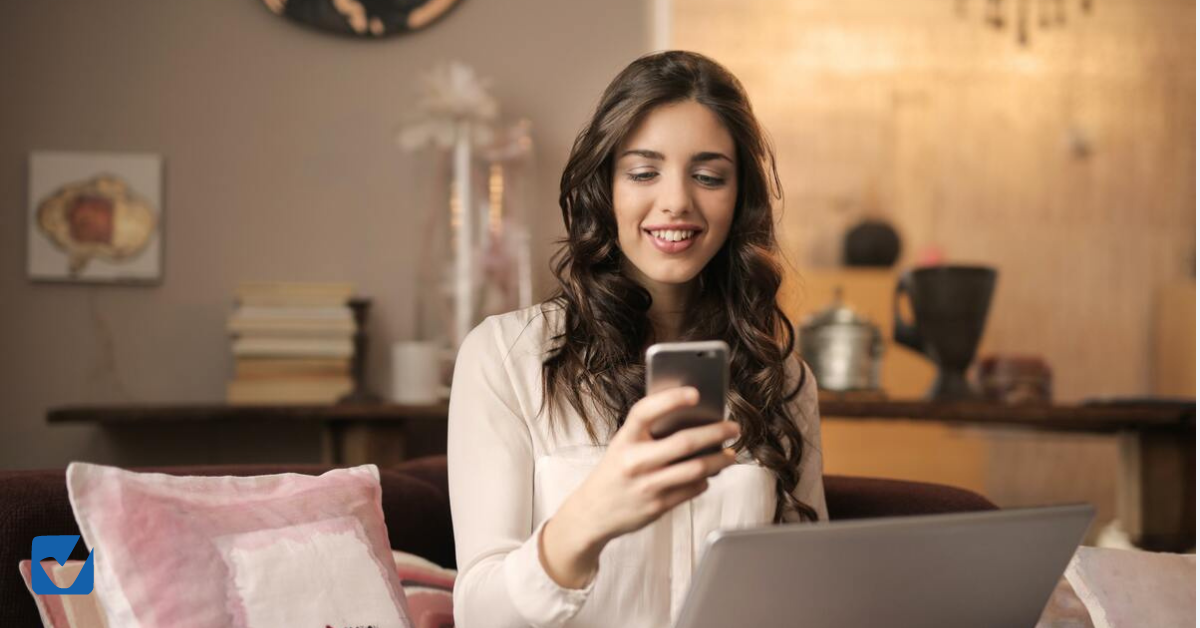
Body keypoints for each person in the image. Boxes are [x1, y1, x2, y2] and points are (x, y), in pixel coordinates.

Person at [447, 50, 827, 628]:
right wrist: (590, 518)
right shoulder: (506, 357)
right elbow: (479, 614)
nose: (676, 201)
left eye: (708, 176)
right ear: (606, 187)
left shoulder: (781, 377)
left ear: (738, 197)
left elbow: (809, 591)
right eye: (644, 172)